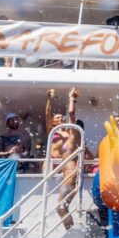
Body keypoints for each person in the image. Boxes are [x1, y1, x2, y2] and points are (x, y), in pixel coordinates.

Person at [46, 88, 81, 229]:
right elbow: (47, 115)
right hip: (61, 170)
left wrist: (72, 98)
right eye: (57, 118)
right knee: (61, 209)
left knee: (61, 208)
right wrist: (49, 99)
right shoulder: (53, 132)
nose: (61, 119)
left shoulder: (72, 135)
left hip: (70, 174)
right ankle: (72, 233)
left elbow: (71, 113)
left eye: (63, 118)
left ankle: (73, 233)